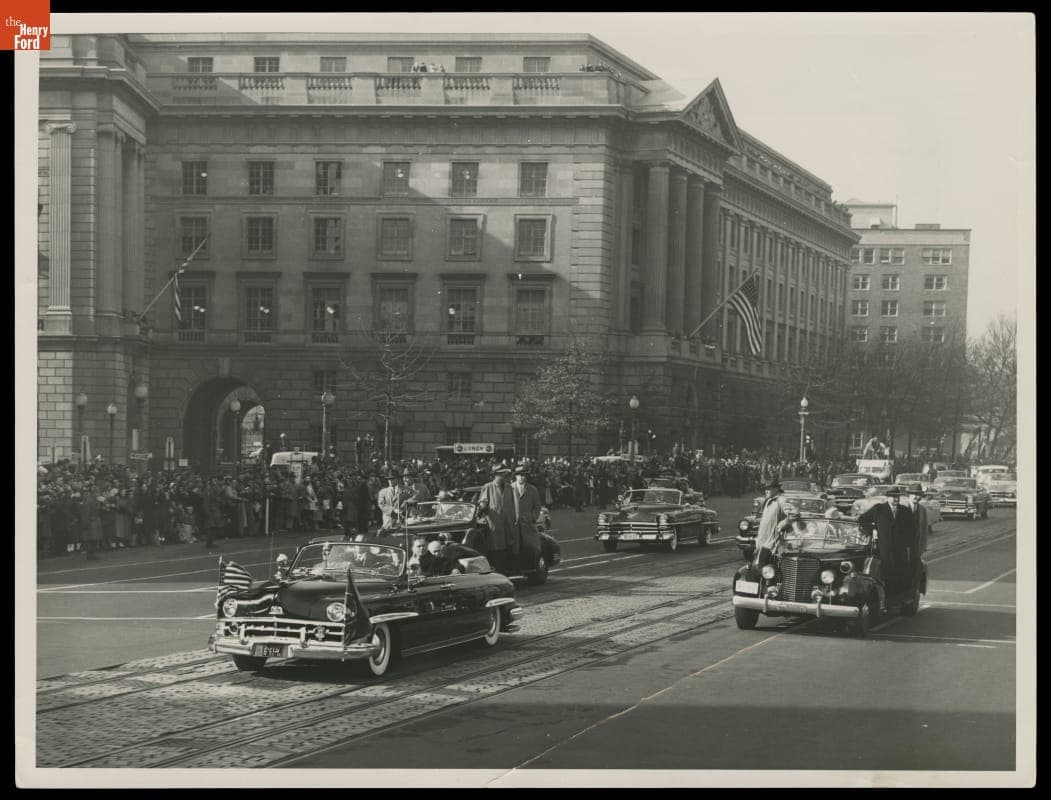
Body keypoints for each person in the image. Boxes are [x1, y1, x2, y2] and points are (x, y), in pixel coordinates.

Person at [857, 486, 914, 597]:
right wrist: (872, 530)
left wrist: (907, 545)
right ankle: (885, 602)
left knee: (898, 576)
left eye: (897, 497)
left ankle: (895, 601)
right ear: (887, 498)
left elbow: (911, 529)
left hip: (899, 551)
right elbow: (862, 519)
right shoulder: (879, 509)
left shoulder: (905, 511)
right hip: (883, 550)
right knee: (884, 575)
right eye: (893, 497)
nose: (896, 499)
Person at [478, 465, 516, 574]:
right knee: (496, 548)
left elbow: (513, 504)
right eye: (501, 473)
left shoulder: (509, 487)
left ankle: (505, 569)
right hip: (494, 523)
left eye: (504, 473)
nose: (504, 475)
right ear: (495, 475)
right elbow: (483, 503)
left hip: (507, 522)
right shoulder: (488, 487)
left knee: (507, 546)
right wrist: (481, 509)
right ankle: (497, 571)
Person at [511, 465, 542, 574]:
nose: (522, 477)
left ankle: (532, 568)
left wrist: (532, 517)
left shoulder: (532, 489)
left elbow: (537, 506)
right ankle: (516, 568)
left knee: (532, 547)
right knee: (515, 548)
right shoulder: (509, 488)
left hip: (528, 524)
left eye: (524, 475)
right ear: (515, 476)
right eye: (519, 475)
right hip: (513, 525)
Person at [752, 477, 791, 568]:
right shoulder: (768, 500)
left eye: (768, 489)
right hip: (762, 543)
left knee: (768, 571)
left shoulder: (781, 500)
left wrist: (784, 522)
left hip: (772, 546)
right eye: (765, 489)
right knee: (756, 571)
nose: (766, 491)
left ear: (776, 489)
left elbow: (794, 514)